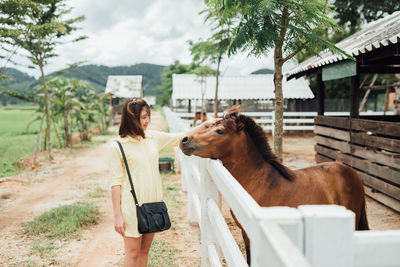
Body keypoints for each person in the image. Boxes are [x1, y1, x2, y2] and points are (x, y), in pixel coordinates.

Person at [108, 98, 184, 267]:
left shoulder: (152, 137)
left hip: (153, 204)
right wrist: (117, 215)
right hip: (131, 206)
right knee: (133, 252)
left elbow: (180, 137)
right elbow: (115, 183)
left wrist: (209, 126)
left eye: (148, 116)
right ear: (131, 119)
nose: (147, 120)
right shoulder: (117, 146)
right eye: (143, 117)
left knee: (144, 251)